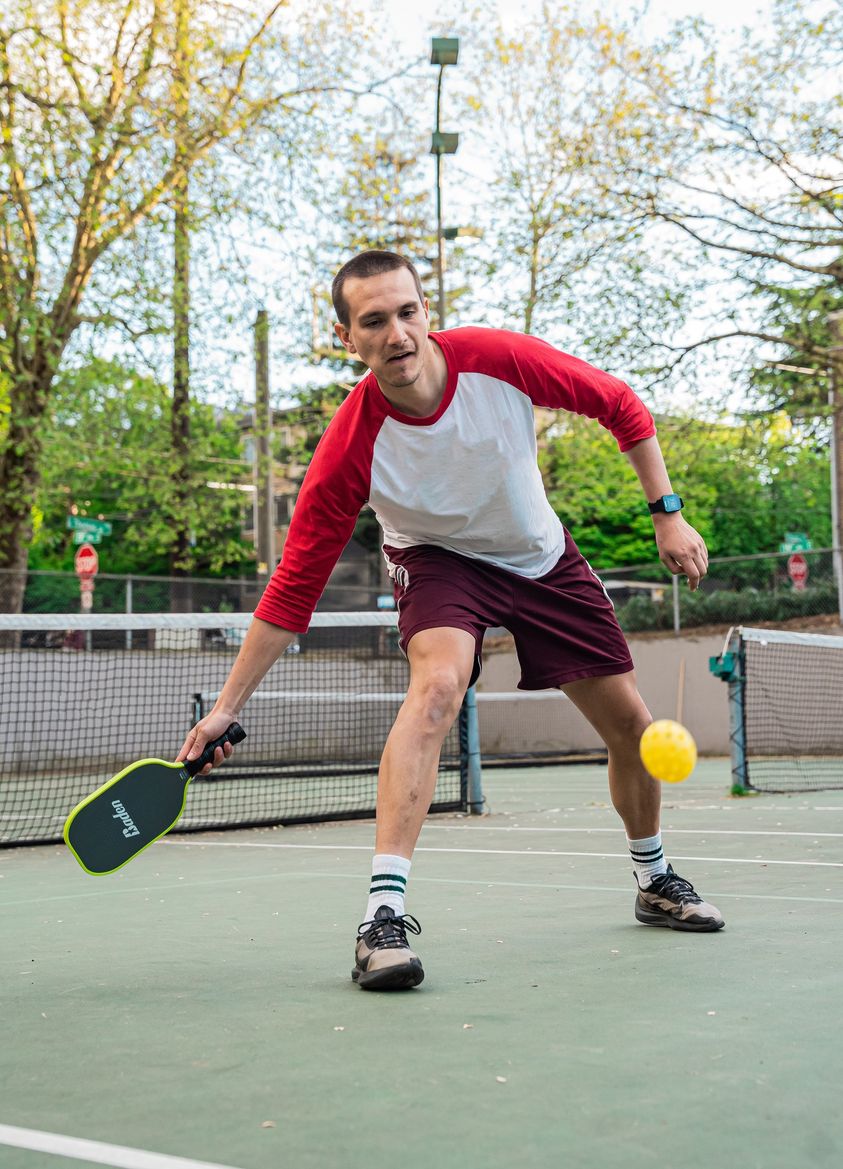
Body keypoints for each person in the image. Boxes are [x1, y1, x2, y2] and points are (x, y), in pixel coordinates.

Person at [178, 249, 724, 992]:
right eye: (374, 321)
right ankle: (381, 917)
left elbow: (619, 403)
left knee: (630, 727)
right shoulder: (348, 445)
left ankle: (653, 877)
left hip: (539, 556)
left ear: (425, 311)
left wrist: (667, 514)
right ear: (348, 338)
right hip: (437, 562)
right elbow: (291, 589)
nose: (396, 332)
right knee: (437, 687)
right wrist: (225, 708)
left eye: (407, 311)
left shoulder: (497, 360)